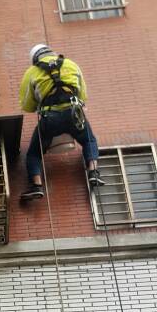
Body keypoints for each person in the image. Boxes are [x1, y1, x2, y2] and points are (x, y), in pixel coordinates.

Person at [19, 43, 103, 203]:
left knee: (34, 153)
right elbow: (83, 94)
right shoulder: (71, 64)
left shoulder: (32, 72)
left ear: (35, 58)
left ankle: (36, 185)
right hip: (74, 114)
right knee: (89, 140)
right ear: (52, 52)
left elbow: (27, 105)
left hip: (50, 118)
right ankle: (93, 172)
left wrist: (41, 101)